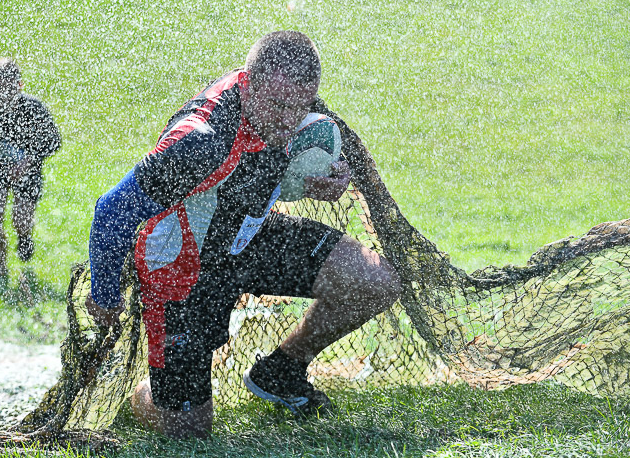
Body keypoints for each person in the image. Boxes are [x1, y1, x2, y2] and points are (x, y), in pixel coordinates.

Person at [86, 31, 401, 438]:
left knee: (376, 281)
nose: (290, 121)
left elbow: (269, 171)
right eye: (278, 106)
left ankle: (281, 372)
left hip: (248, 238)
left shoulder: (294, 111)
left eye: (300, 106)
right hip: (182, 268)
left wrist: (322, 181)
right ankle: (148, 395)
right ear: (247, 84)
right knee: (187, 432)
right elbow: (112, 210)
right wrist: (107, 295)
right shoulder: (200, 140)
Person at [0, 58, 61, 290]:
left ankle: (24, 238)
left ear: (19, 85)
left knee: (21, 220)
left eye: (9, 84)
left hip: (27, 170)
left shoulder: (33, 107)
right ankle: (2, 268)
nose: (4, 90)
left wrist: (27, 162)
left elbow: (54, 141)